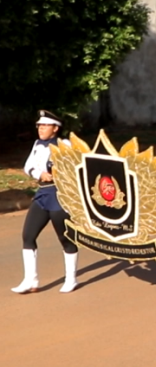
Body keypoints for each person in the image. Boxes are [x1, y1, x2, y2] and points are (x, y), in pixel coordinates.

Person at [12, 110, 78, 294]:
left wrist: (57, 172)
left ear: (55, 128)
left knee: (65, 238)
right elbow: (28, 166)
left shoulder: (65, 144)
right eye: (39, 126)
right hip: (42, 194)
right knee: (28, 235)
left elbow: (75, 166)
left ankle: (71, 278)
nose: (40, 129)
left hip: (60, 195)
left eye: (45, 125)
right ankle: (31, 280)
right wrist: (39, 173)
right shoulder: (37, 144)